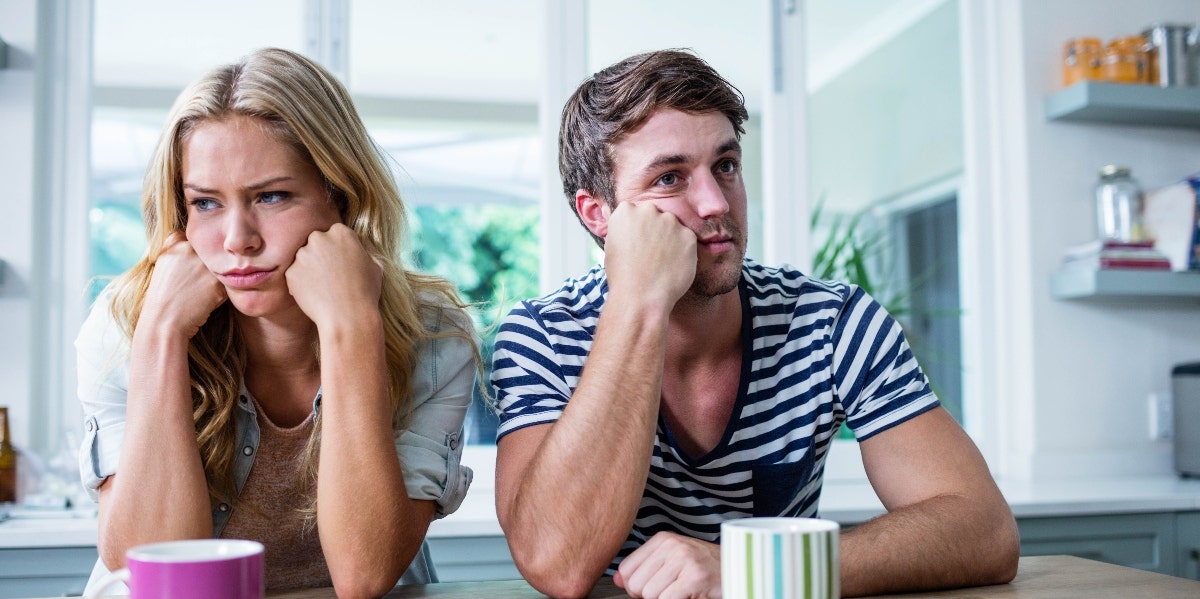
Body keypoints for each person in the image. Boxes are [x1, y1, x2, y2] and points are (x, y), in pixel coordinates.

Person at [490, 49, 1019, 599]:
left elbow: (985, 530)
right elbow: (556, 564)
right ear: (598, 214)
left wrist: (754, 569)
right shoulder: (543, 335)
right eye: (670, 178)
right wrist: (639, 303)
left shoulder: (831, 322)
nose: (716, 201)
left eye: (726, 165)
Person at [76, 48, 480, 598]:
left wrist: (351, 327)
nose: (238, 239)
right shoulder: (126, 323)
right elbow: (152, 575)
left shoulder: (434, 338)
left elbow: (366, 575)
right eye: (206, 204)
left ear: (341, 195)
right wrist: (161, 336)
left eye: (272, 196)